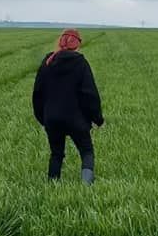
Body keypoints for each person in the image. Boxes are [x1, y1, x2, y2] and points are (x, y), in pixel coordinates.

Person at [32, 29, 104, 184]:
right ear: (77, 44)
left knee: (56, 153)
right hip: (75, 119)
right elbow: (89, 94)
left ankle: (52, 186)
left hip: (52, 118)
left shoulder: (48, 61)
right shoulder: (80, 63)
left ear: (60, 41)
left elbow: (37, 93)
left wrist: (43, 118)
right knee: (86, 151)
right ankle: (86, 188)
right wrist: (97, 119)